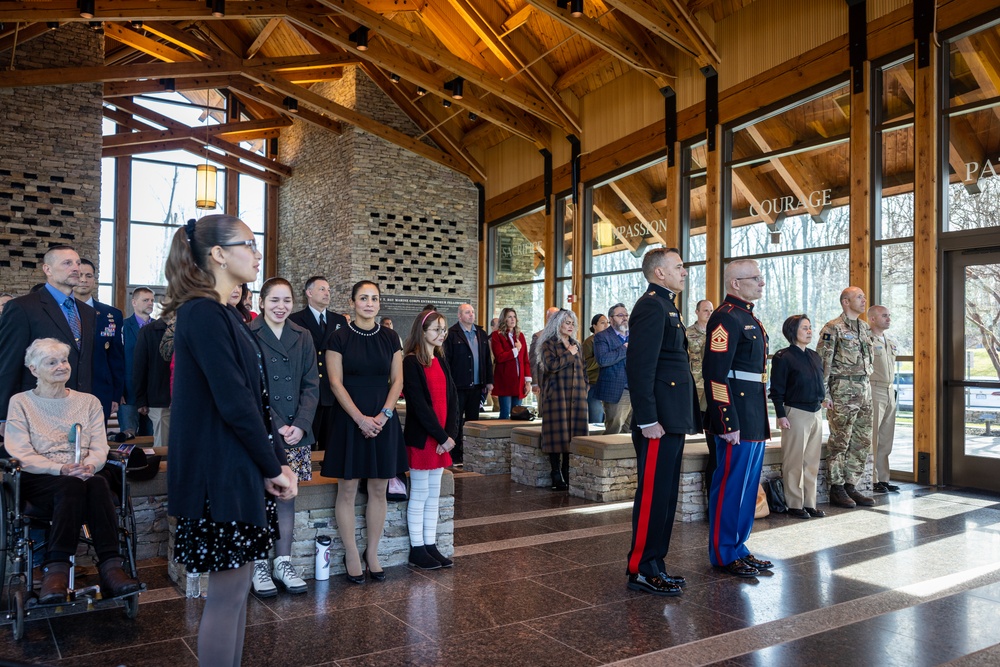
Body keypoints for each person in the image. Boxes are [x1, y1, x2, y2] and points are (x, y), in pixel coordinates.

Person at [164, 215, 294, 667]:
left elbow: (256, 401)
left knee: (236, 593)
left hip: (237, 469)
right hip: (218, 474)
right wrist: (273, 466)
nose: (257, 254)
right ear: (218, 254)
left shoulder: (226, 315)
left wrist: (275, 461)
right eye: (249, 244)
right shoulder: (202, 313)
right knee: (225, 596)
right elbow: (233, 402)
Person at [4, 338, 141, 604]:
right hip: (41, 476)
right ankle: (60, 569)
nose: (61, 366)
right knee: (72, 484)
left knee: (97, 482)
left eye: (64, 360)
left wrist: (90, 465)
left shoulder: (88, 402)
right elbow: (20, 451)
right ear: (34, 370)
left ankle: (110, 568)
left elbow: (101, 446)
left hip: (86, 473)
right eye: (51, 362)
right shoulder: (21, 402)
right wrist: (61, 468)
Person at [321, 280, 407, 584]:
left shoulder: (391, 337)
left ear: (379, 303)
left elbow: (397, 381)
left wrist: (383, 416)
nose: (369, 303)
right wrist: (360, 419)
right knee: (347, 489)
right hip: (349, 419)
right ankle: (352, 553)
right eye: (363, 298)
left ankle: (372, 552)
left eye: (374, 298)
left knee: (378, 489)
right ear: (352, 302)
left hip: (383, 419)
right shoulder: (338, 337)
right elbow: (335, 383)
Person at [625, 248, 699, 597]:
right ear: (659, 273)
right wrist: (647, 418)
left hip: (672, 418)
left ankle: (656, 562)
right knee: (654, 495)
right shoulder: (651, 306)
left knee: (666, 495)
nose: (684, 272)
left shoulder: (668, 305)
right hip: (658, 421)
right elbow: (640, 368)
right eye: (678, 267)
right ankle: (642, 567)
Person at [703, 259, 773, 578]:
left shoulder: (747, 316)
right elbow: (716, 375)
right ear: (735, 283)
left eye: (760, 277)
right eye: (755, 278)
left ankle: (739, 546)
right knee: (732, 486)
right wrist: (727, 421)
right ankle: (723, 551)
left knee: (747, 487)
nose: (761, 282)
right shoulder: (725, 318)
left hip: (754, 415)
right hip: (737, 418)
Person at [249, 277, 319, 596]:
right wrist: (275, 424)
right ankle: (260, 565)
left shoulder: (303, 335)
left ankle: (283, 562)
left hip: (296, 434)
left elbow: (311, 385)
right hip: (263, 431)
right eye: (274, 300)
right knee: (261, 497)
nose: (281, 306)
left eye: (286, 300)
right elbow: (250, 389)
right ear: (261, 302)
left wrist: (301, 424)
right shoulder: (248, 334)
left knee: (287, 496)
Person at [0, 245, 95, 438]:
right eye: (67, 263)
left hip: (77, 407)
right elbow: (7, 365)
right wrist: (3, 416)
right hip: (36, 407)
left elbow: (85, 361)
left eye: (77, 263)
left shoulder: (88, 312)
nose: (76, 268)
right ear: (47, 269)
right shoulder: (22, 307)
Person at [402, 310, 458, 570]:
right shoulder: (411, 362)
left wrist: (450, 436)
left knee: (434, 494)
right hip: (423, 438)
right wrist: (440, 435)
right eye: (436, 329)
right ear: (422, 332)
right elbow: (420, 406)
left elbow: (452, 400)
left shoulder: (441, 359)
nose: (441, 334)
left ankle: (431, 543)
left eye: (443, 329)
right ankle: (417, 548)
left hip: (441, 439)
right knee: (420, 493)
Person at [817, 287, 876, 509]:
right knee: (840, 440)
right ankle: (837, 487)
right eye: (859, 297)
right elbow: (824, 363)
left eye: (863, 296)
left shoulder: (864, 328)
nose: (864, 300)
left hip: (864, 390)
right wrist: (825, 394)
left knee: (862, 440)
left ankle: (851, 484)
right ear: (845, 301)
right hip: (842, 390)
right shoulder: (833, 328)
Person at [769, 315, 826, 520]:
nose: (809, 331)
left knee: (811, 462)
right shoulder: (783, 357)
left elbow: (818, 383)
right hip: (795, 414)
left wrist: (823, 399)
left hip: (816, 413)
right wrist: (780, 415)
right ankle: (794, 504)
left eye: (810, 327)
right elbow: (776, 390)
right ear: (793, 331)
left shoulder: (814, 356)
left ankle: (809, 504)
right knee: (794, 462)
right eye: (804, 328)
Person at [288, 276, 347, 452]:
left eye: (328, 290)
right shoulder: (295, 320)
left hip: (332, 391)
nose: (327, 293)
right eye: (322, 289)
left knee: (332, 446)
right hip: (307, 393)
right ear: (309, 292)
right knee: (307, 446)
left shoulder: (339, 321)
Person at [538, 309, 588, 491]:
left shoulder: (576, 344)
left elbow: (583, 370)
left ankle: (567, 470)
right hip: (557, 396)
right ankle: (556, 472)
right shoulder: (548, 344)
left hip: (577, 397)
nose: (570, 326)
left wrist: (585, 386)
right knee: (556, 435)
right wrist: (569, 354)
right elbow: (551, 366)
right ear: (557, 324)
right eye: (567, 322)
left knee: (572, 434)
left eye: (572, 323)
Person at [74, 259, 125, 423]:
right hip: (65, 391)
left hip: (100, 391)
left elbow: (116, 358)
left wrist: (116, 395)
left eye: (89, 276)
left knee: (97, 444)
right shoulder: (58, 311)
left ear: (94, 280)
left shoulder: (111, 315)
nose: (83, 280)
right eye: (79, 275)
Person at [443, 303, 493, 465]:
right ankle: (455, 454)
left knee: (473, 421)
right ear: (459, 316)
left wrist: (489, 381)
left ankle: (471, 452)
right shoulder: (452, 334)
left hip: (477, 386)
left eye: (472, 312)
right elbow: (446, 362)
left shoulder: (481, 333)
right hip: (458, 385)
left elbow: (487, 359)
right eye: (467, 312)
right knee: (456, 420)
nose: (471, 315)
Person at [868, 305, 900, 493]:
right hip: (874, 390)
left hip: (889, 391)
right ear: (872, 319)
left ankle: (883, 479)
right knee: (872, 437)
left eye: (889, 315)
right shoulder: (867, 340)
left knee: (886, 438)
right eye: (884, 316)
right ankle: (871, 479)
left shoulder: (890, 340)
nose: (888, 319)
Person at [132, 314, 172, 449]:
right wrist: (141, 399)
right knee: (162, 445)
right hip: (159, 396)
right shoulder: (149, 331)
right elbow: (140, 366)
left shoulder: (189, 326)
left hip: (185, 397)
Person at [686, 299, 715, 489]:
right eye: (705, 310)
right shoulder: (687, 333)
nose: (709, 313)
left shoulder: (717, 333)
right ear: (697, 312)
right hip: (694, 384)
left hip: (711, 385)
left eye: (712, 310)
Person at [119, 287, 155, 437]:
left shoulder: (160, 328)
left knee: (153, 441)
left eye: (152, 300)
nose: (150, 303)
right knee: (129, 439)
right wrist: (118, 392)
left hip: (153, 395)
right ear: (134, 302)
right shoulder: (123, 327)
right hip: (129, 394)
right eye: (145, 300)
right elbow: (118, 361)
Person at [594, 303, 631, 434]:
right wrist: (624, 349)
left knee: (630, 433)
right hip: (616, 391)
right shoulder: (602, 337)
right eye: (620, 315)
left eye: (626, 315)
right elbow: (603, 360)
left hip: (636, 390)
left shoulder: (635, 335)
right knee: (614, 430)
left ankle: (627, 455)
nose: (624, 318)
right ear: (611, 319)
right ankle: (607, 455)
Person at [490, 307, 531, 419]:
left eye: (514, 317)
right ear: (504, 319)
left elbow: (525, 360)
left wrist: (527, 382)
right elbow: (499, 357)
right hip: (505, 380)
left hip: (519, 382)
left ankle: (514, 437)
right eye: (509, 317)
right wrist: (515, 350)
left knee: (518, 414)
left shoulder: (520, 336)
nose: (513, 319)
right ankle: (501, 436)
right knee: (505, 413)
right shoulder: (496, 336)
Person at [529, 306, 560, 403]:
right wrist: (534, 383)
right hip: (544, 380)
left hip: (561, 381)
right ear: (547, 318)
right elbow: (533, 361)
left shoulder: (565, 336)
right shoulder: (538, 336)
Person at [581, 313, 608, 424]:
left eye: (608, 323)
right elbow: (585, 365)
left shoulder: (609, 341)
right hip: (594, 384)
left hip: (608, 384)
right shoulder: (589, 342)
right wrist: (604, 358)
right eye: (602, 323)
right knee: (596, 420)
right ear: (594, 326)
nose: (606, 326)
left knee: (607, 419)